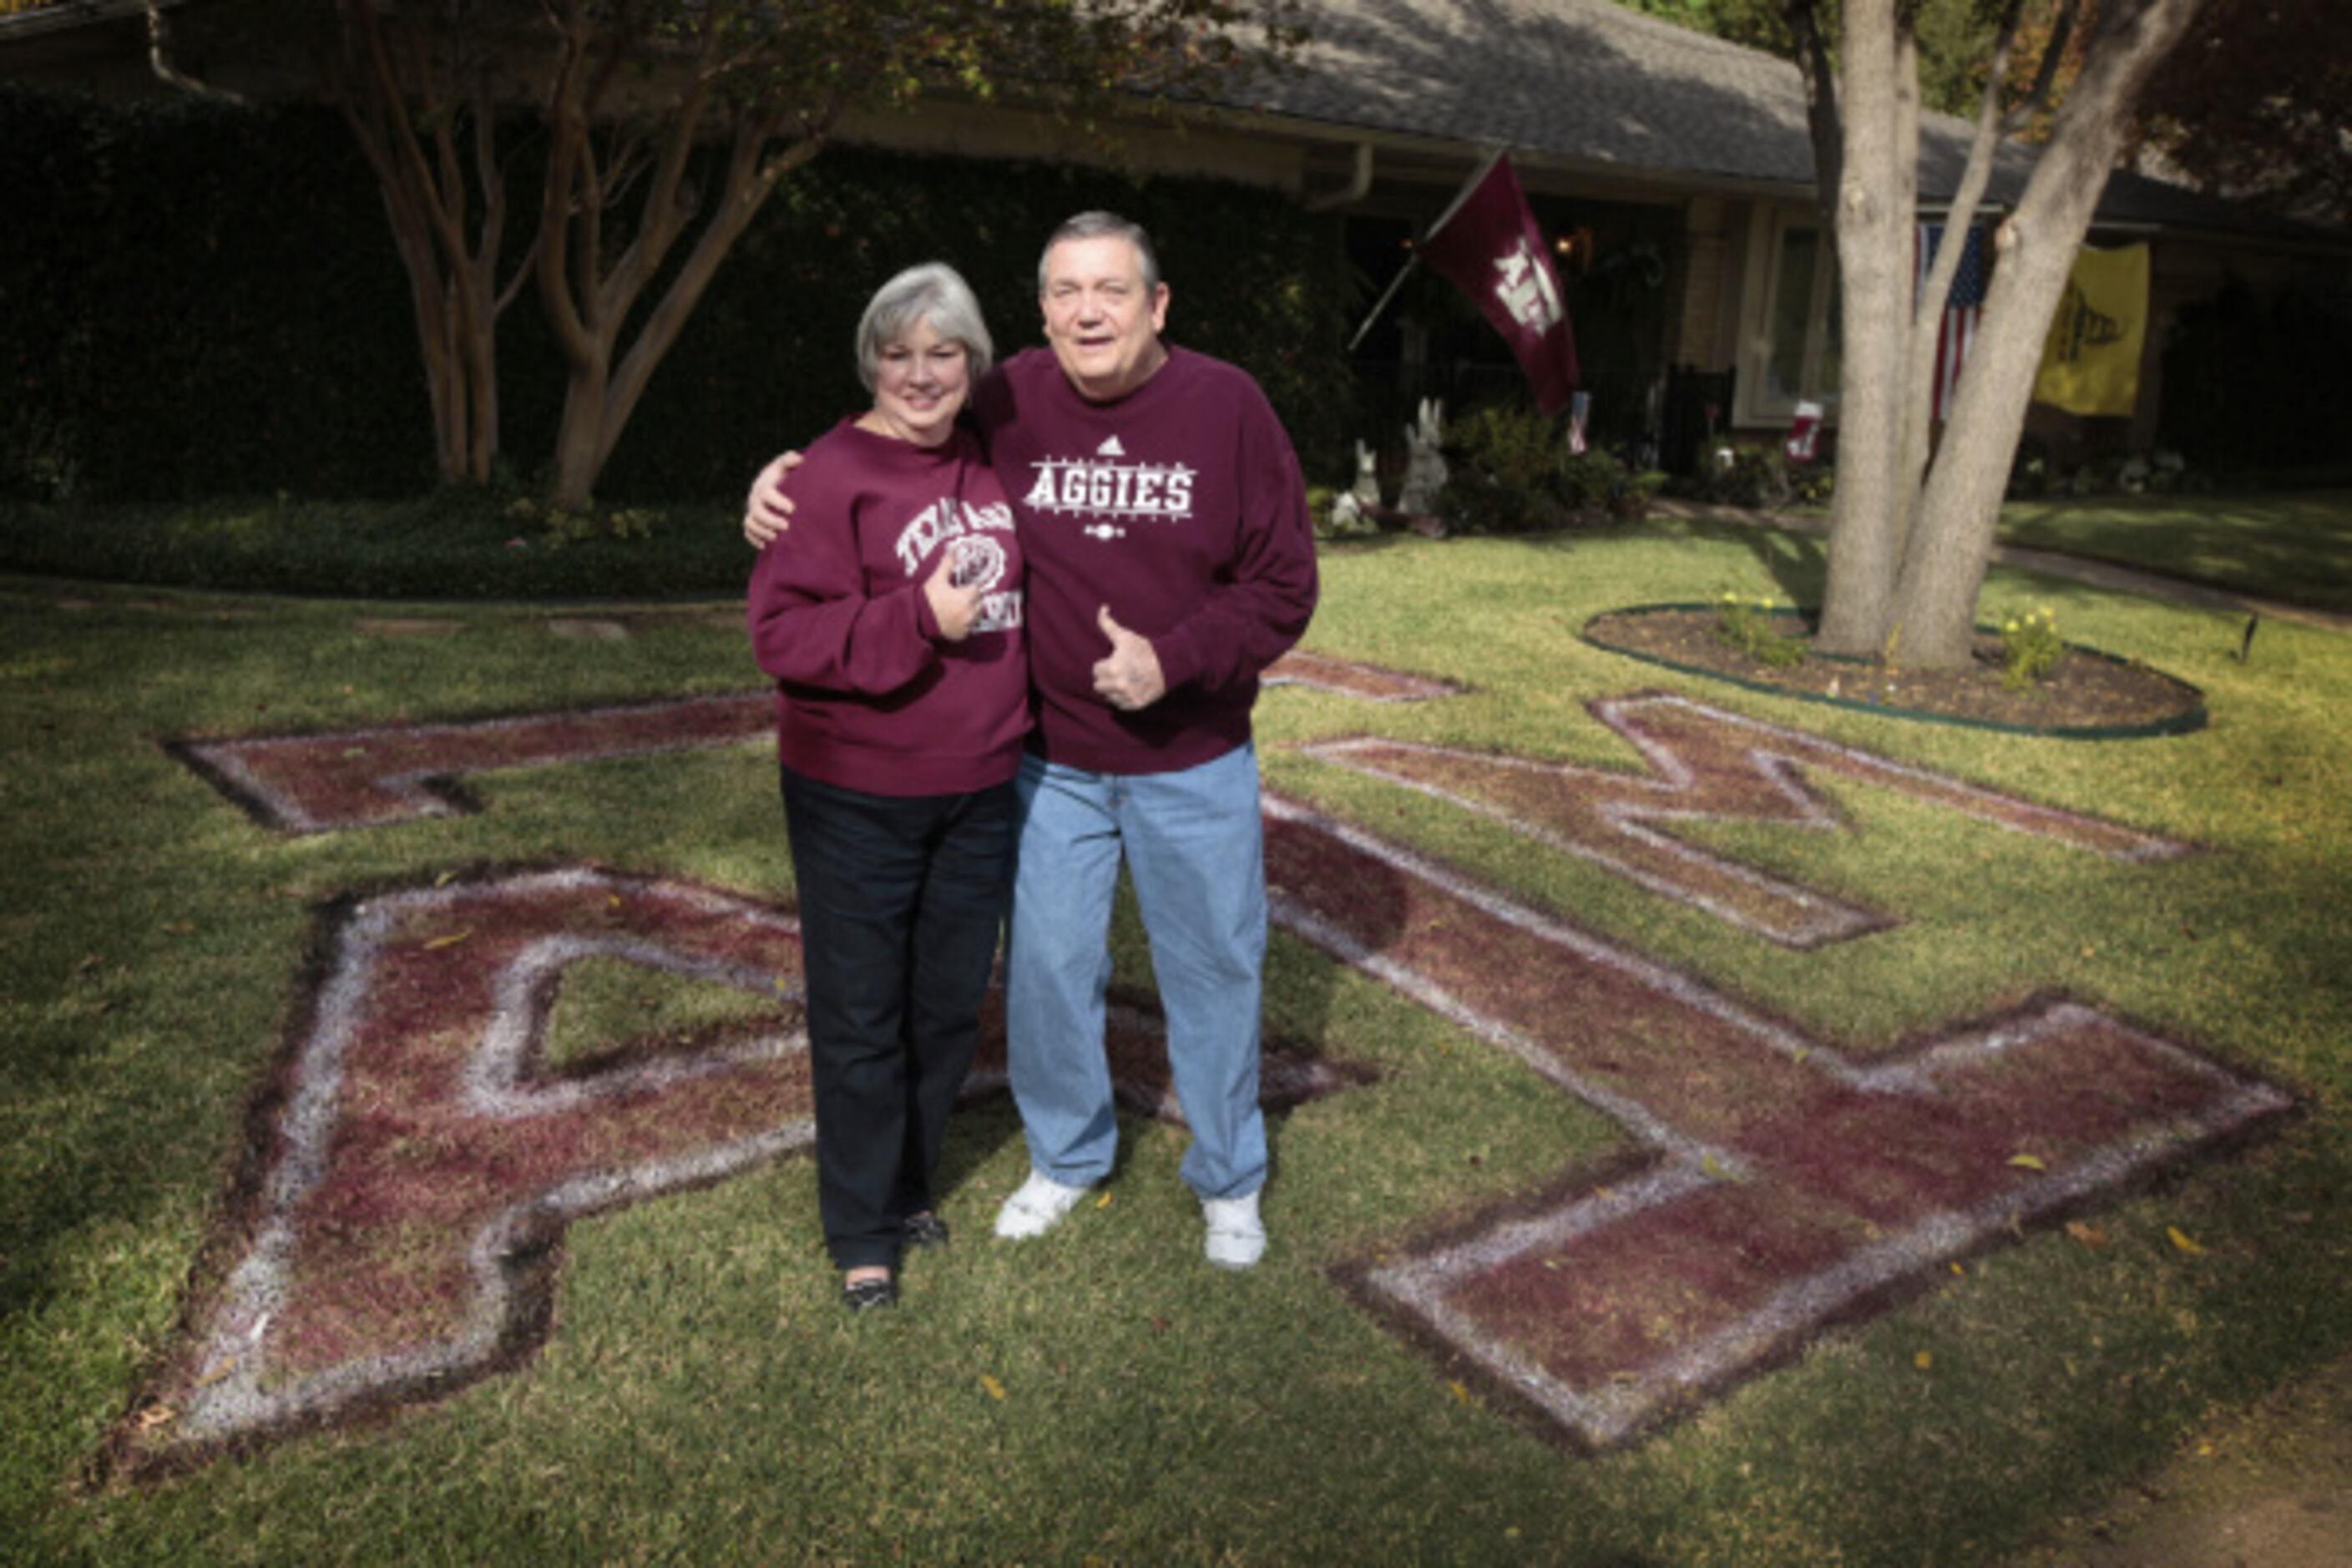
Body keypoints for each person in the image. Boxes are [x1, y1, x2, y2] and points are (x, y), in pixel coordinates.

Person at [746, 213, 1318, 1270]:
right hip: (1049, 756)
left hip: (1190, 755)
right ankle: (1067, 1153)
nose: (1086, 311)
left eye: (1110, 290)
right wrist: (783, 483)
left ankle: (1230, 1177)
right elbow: (896, 426)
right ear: (1041, 308)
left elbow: (1285, 586)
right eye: (1064, 292)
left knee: (1215, 971)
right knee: (1050, 973)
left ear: (1157, 305)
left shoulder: (1228, 406)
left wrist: (1177, 659)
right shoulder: (1008, 395)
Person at [746, 262, 1028, 1313]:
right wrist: (918, 620)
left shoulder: (992, 461)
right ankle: (861, 1229)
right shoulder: (822, 476)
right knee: (863, 1013)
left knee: (947, 1008)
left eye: (943, 352)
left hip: (981, 787)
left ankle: (906, 1182)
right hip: (856, 790)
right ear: (871, 360)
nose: (921, 374)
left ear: (973, 364)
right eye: (898, 353)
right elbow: (779, 634)